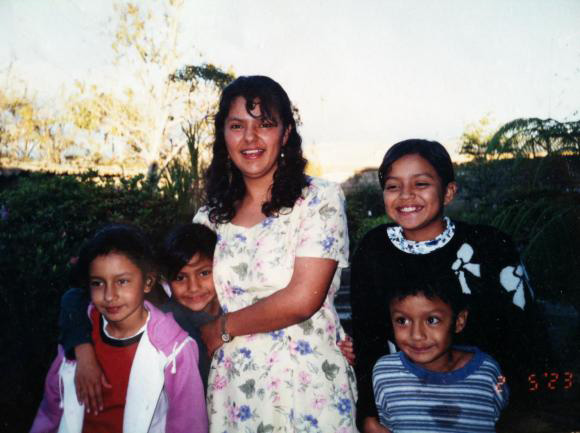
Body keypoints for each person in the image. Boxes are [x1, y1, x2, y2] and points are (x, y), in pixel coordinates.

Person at [193, 75, 357, 431]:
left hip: (307, 387)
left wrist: (223, 327)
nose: (250, 138)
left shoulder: (318, 200)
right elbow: (187, 295)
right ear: (224, 135)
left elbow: (303, 298)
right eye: (237, 126)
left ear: (285, 134)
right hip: (235, 390)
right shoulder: (208, 218)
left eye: (265, 124)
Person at [351, 139, 544, 432]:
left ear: (449, 191)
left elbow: (526, 335)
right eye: (393, 186)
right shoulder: (374, 248)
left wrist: (519, 413)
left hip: (479, 409)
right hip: (404, 407)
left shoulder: (490, 245)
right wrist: (368, 413)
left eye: (421, 184)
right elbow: (368, 339)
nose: (406, 195)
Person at [31, 224, 208, 433]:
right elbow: (52, 409)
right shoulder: (79, 336)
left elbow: (189, 424)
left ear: (148, 282)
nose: (109, 295)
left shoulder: (175, 350)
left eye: (122, 281)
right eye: (98, 283)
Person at [373, 276, 509, 432]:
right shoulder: (385, 373)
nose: (416, 335)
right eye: (402, 321)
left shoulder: (489, 372)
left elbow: (503, 416)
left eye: (432, 320)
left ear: (459, 321)